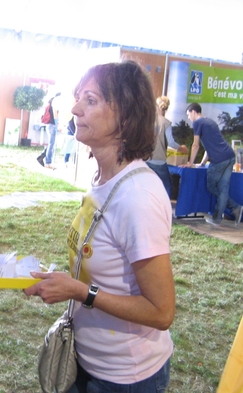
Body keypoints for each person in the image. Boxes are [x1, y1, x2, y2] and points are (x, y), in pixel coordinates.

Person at [25, 60, 175, 393]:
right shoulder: (102, 179)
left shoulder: (138, 196)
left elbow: (162, 312)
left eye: (90, 100)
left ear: (125, 115)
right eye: (78, 98)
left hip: (127, 378)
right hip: (88, 362)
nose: (75, 109)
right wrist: (60, 281)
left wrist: (80, 292)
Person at [181, 102, 243, 226]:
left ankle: (232, 208)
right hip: (230, 156)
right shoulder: (210, 122)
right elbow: (210, 145)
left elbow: (195, 145)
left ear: (194, 112)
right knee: (223, 188)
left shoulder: (197, 123)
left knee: (211, 186)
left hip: (219, 160)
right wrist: (203, 162)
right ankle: (222, 215)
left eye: (188, 115)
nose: (189, 118)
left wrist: (190, 163)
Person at [146, 95, 188, 198]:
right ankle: (166, 207)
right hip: (159, 161)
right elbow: (171, 143)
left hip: (147, 159)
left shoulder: (148, 121)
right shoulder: (166, 123)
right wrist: (182, 148)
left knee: (149, 186)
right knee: (167, 186)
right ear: (167, 108)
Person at [36, 92, 61, 169]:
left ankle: (42, 156)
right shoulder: (55, 104)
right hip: (52, 125)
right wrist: (57, 125)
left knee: (51, 144)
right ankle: (48, 162)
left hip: (49, 125)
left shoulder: (51, 103)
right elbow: (55, 115)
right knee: (51, 145)